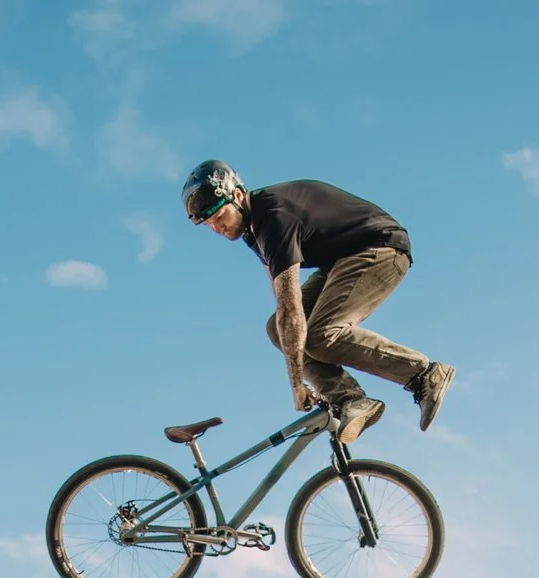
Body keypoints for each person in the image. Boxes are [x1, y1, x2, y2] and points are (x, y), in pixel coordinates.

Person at [182, 160, 454, 446]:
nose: (216, 228)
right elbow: (283, 304)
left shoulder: (272, 216)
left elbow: (291, 309)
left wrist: (297, 383)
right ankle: (350, 399)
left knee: (322, 334)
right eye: (208, 224)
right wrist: (299, 364)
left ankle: (424, 373)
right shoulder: (253, 231)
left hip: (380, 249)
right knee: (279, 329)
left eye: (218, 215)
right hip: (341, 261)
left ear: (237, 196)